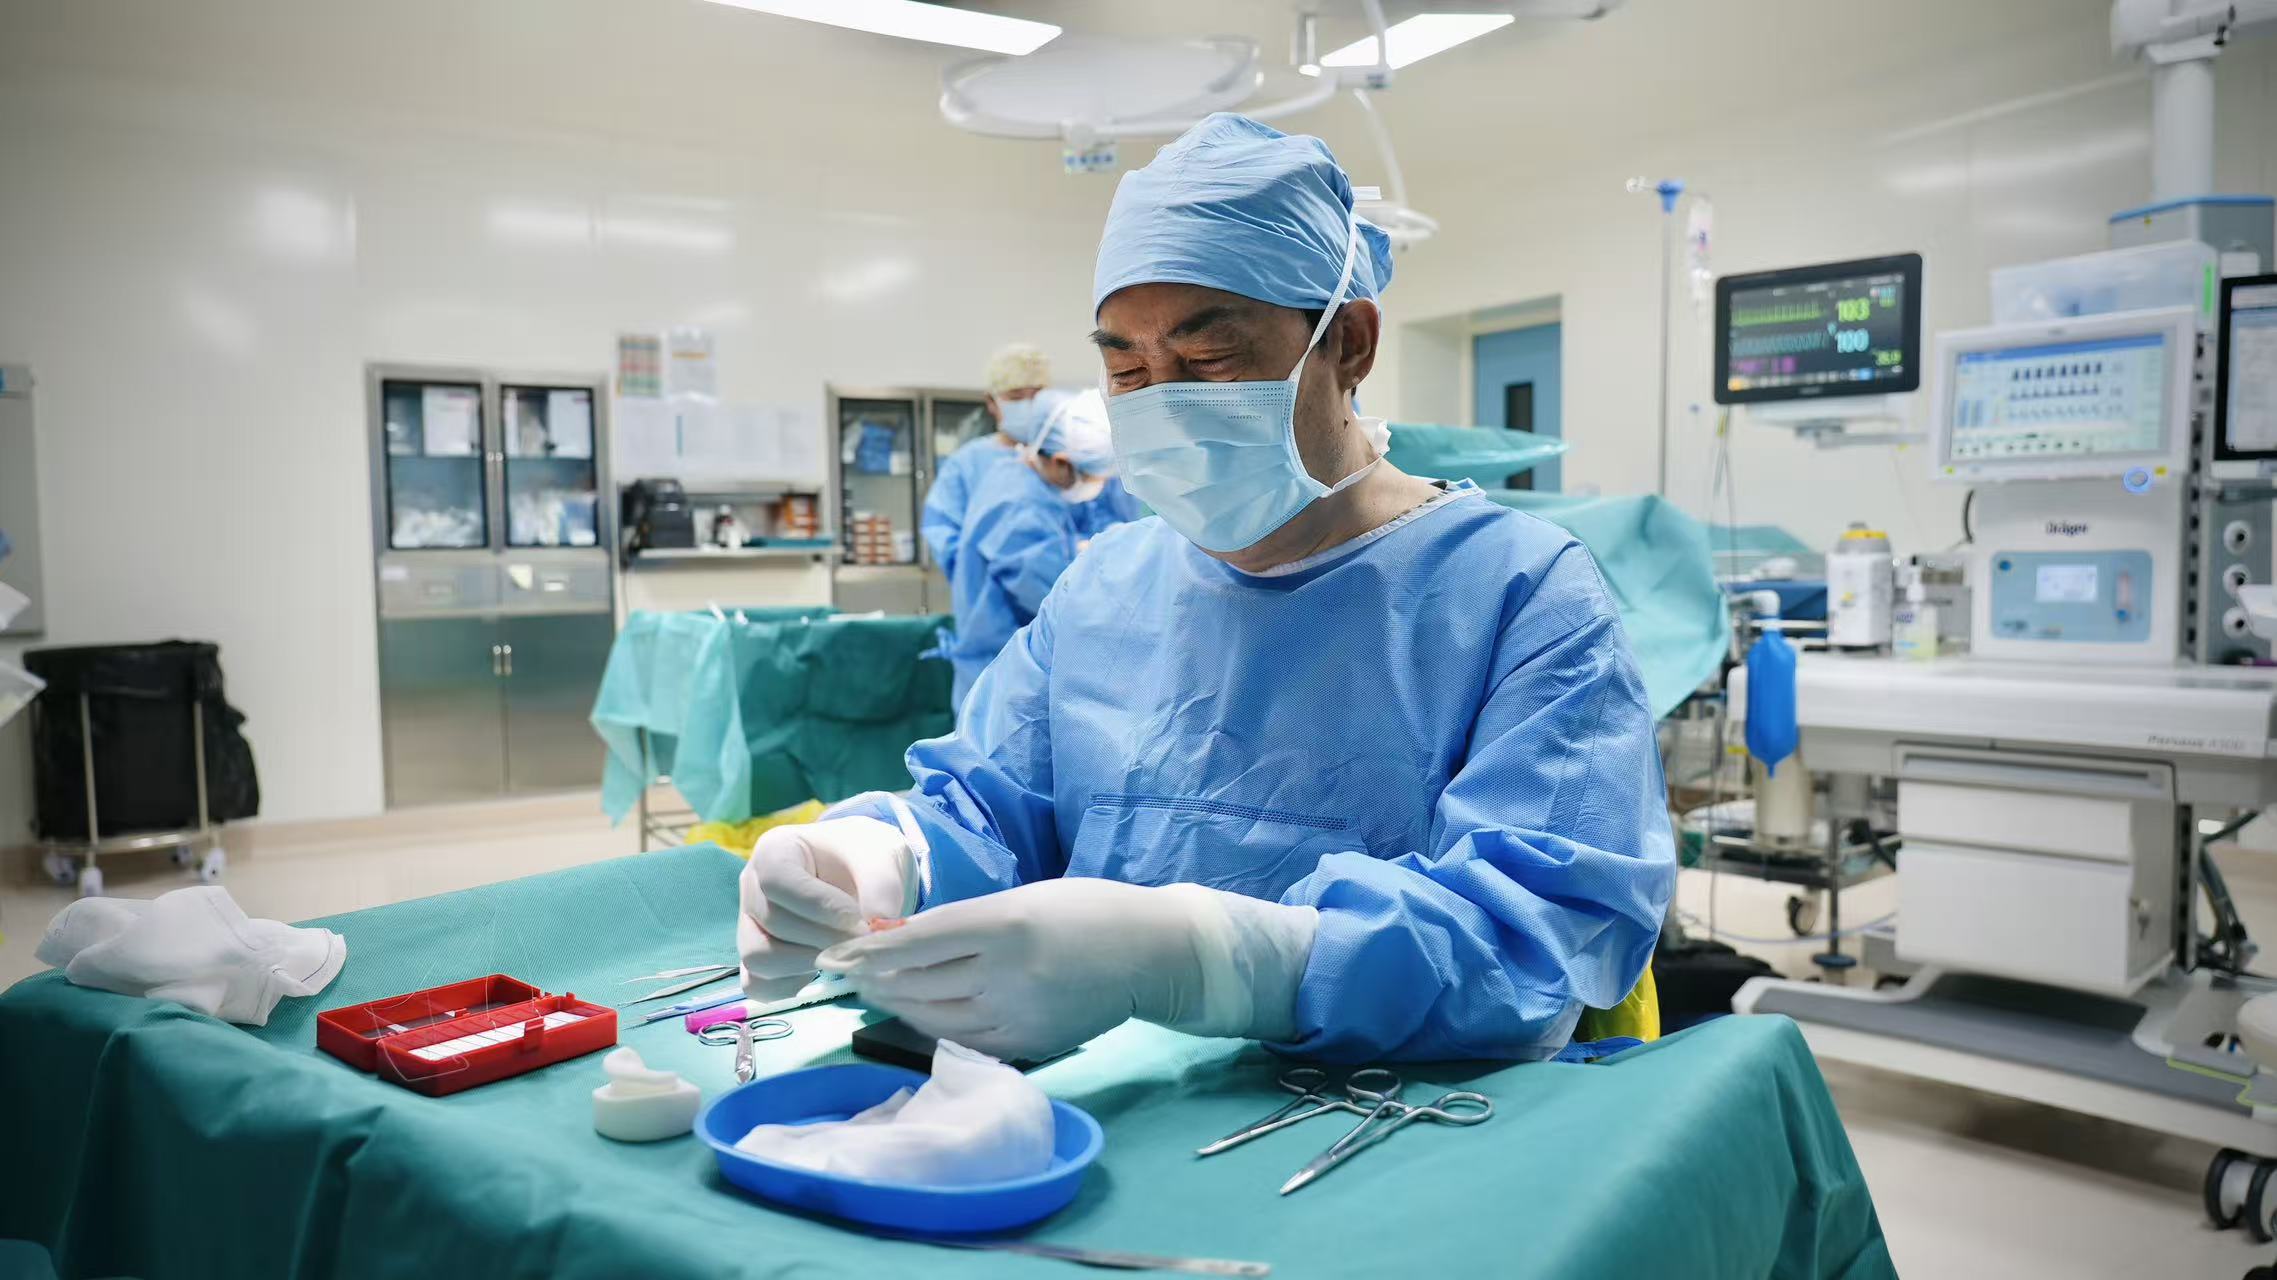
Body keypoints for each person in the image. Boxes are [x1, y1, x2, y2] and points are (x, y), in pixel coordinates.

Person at [737, 114, 1674, 1065]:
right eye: (1127, 368)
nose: (1162, 403)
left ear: (1347, 342)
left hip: (1389, 1123)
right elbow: (986, 809)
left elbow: (1540, 932)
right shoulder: (1105, 586)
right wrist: (876, 856)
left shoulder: (1519, 594)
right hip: (1104, 1114)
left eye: (1208, 361)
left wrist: (1209, 960)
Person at [941, 387, 1134, 710]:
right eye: (1091, 476)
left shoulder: (1019, 479)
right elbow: (1056, 599)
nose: (1097, 487)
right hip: (1006, 687)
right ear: (1060, 462)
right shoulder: (1019, 508)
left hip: (1014, 676)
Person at [920, 343, 1049, 581]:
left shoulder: (1067, 459)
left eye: (1037, 396)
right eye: (1016, 397)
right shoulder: (965, 465)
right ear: (991, 401)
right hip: (991, 607)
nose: (1030, 406)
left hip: (1067, 606)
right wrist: (1000, 574)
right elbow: (945, 538)